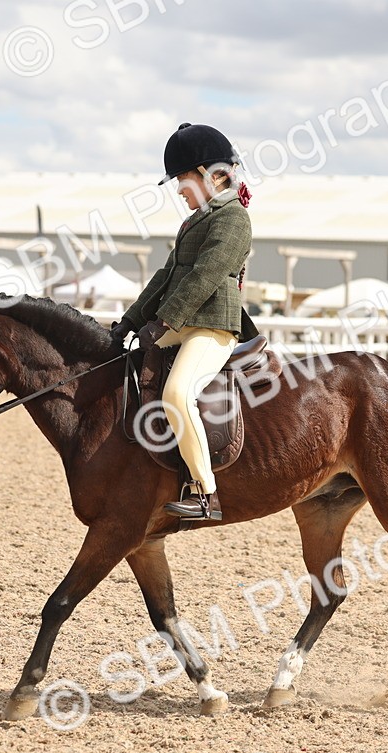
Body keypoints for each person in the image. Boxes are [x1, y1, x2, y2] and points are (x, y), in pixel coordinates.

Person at [111, 122, 254, 521]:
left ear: (211, 175)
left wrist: (163, 323)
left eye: (182, 180)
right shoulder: (197, 219)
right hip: (183, 325)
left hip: (212, 327)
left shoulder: (233, 218)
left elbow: (205, 277)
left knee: (177, 393)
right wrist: (130, 321)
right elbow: (167, 276)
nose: (178, 190)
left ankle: (206, 494)